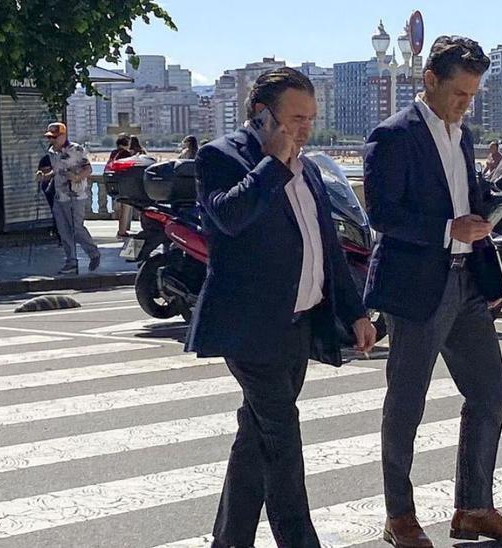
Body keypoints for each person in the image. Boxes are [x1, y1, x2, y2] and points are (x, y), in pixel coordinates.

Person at [186, 67, 378, 548]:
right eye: (295, 119)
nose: (304, 130)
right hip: (249, 329)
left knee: (256, 439)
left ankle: (229, 541)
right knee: (283, 443)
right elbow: (228, 217)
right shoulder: (221, 157)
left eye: (310, 119)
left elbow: (328, 247)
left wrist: (355, 312)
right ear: (260, 115)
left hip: (297, 326)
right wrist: (272, 164)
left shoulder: (310, 168)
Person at [363, 35, 502, 548]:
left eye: (473, 94)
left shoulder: (464, 135)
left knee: (490, 389)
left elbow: (466, 200)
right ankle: (400, 516)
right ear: (429, 80)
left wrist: (489, 220)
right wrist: (446, 229)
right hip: (417, 285)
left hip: (466, 282)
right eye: (459, 93)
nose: (466, 103)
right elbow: (383, 215)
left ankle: (473, 508)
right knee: (406, 402)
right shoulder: (391, 136)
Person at [35, 122, 101, 275]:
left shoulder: (76, 149)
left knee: (76, 228)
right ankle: (71, 261)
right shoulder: (51, 152)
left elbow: (88, 169)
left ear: (63, 136)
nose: (51, 140)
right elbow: (57, 172)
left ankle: (93, 253)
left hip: (76, 195)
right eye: (50, 137)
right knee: (63, 230)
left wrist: (77, 177)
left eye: (54, 137)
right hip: (59, 195)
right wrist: (44, 177)